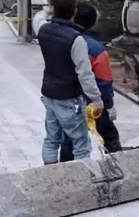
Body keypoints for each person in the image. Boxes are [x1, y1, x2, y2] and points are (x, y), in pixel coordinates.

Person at [37, 0, 104, 164]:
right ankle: (82, 179)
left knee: (51, 139)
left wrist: (48, 11)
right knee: (80, 143)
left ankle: (50, 175)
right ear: (73, 12)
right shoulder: (76, 39)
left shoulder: (44, 30)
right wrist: (96, 99)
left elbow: (39, 17)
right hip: (68, 96)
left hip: (49, 93)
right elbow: (84, 74)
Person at [57, 1, 122, 161]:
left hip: (67, 98)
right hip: (91, 102)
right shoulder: (96, 49)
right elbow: (103, 81)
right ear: (93, 22)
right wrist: (108, 105)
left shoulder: (63, 40)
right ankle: (118, 168)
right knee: (110, 137)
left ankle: (64, 175)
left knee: (69, 140)